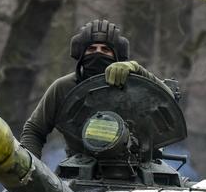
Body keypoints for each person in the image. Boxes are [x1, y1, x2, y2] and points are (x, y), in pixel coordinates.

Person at [18, 19, 161, 156]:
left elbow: (168, 100)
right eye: (91, 49)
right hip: (78, 172)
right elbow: (34, 130)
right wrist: (31, 170)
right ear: (80, 53)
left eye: (105, 50)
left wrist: (138, 70)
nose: (97, 53)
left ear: (116, 55)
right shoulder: (64, 88)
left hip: (134, 170)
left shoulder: (135, 86)